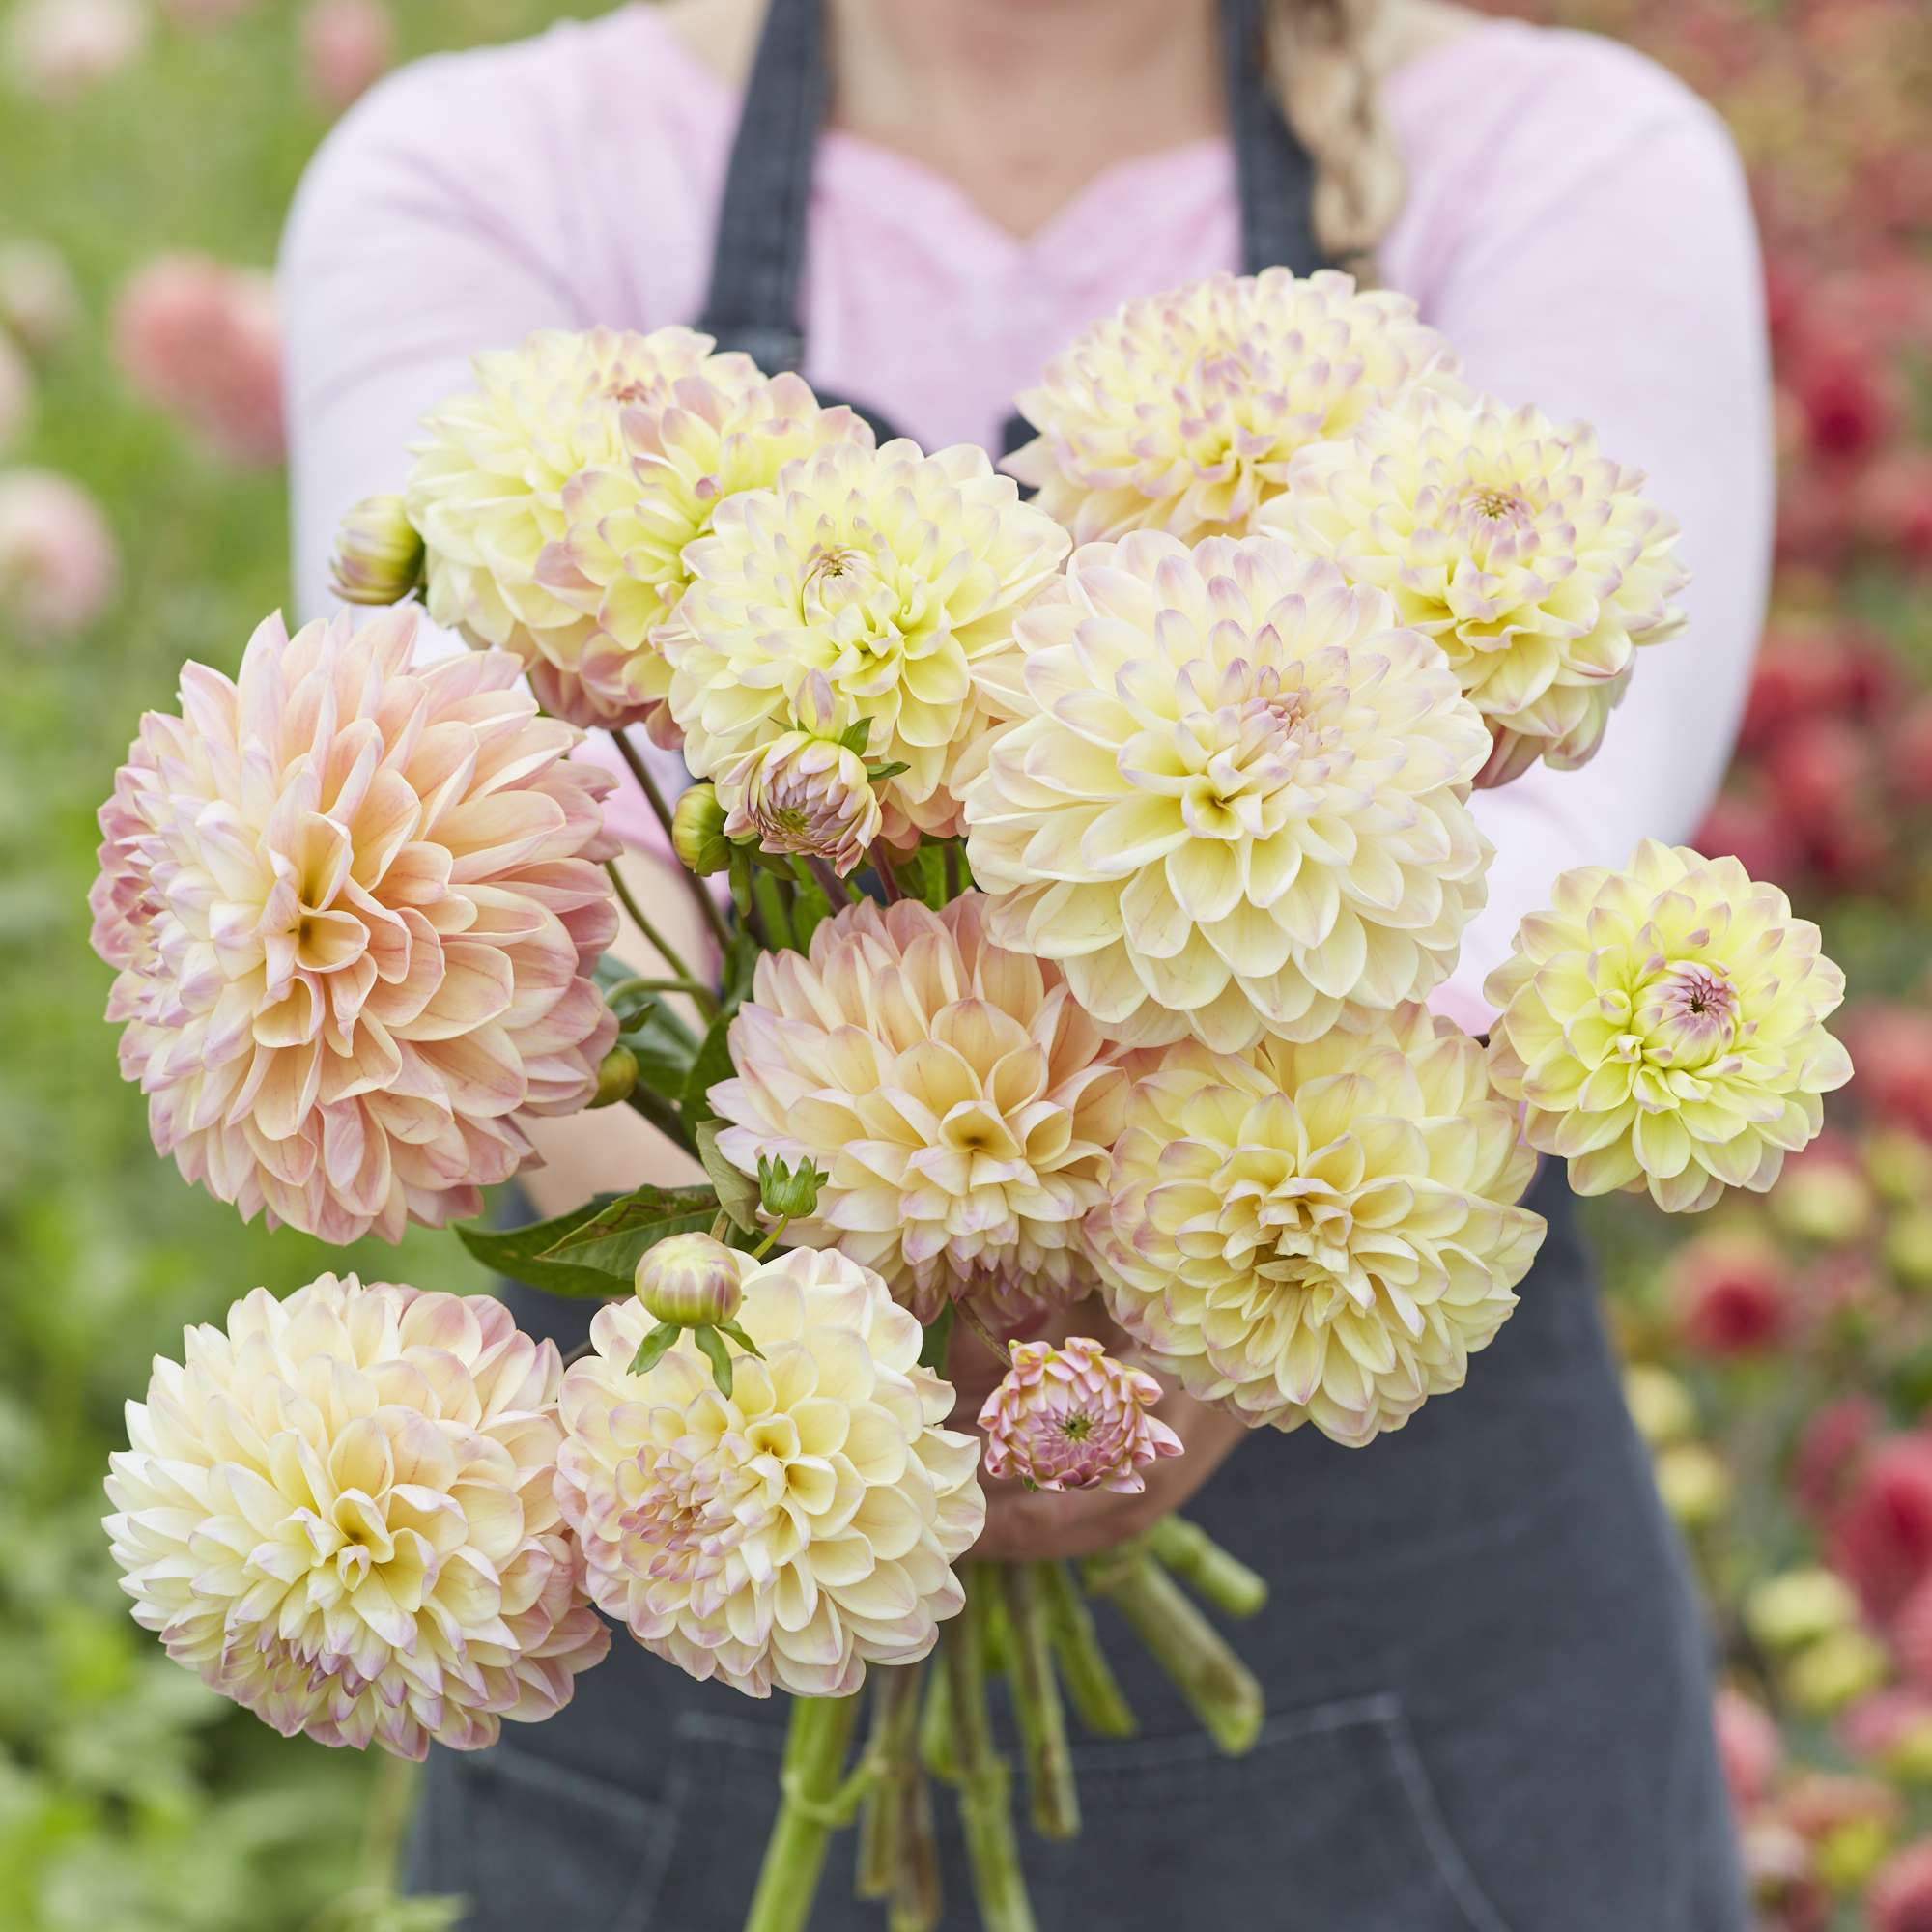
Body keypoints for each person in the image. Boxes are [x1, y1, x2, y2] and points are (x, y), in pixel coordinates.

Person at [281, 1, 1770, 1924]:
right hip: (715, 1545)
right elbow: (479, 879)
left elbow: (1545, 868)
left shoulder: (1565, 158)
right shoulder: (483, 173)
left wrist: (1202, 1321)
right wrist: (815, 1374)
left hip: (1411, 1619)